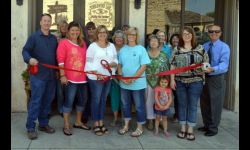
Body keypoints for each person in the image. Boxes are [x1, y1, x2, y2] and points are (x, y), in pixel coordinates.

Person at [22, 13, 57, 140]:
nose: (47, 23)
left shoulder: (53, 39)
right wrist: (29, 59)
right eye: (45, 21)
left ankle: (43, 124)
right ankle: (30, 127)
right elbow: (25, 50)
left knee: (47, 101)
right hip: (38, 75)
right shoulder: (34, 37)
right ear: (41, 23)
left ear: (51, 23)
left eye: (49, 21)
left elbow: (56, 56)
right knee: (36, 101)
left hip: (51, 76)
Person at [170, 26, 209, 141]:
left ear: (193, 35)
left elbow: (206, 64)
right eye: (184, 34)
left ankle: (190, 129)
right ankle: (182, 128)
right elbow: (172, 65)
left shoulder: (200, 48)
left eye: (189, 34)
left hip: (196, 82)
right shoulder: (177, 49)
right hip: (180, 81)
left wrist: (200, 67)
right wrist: (172, 80)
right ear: (181, 36)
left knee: (192, 105)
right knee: (182, 105)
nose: (187, 36)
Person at [57, 21, 90, 136]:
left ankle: (78, 122)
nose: (75, 32)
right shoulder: (63, 43)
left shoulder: (83, 43)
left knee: (83, 100)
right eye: (72, 30)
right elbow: (60, 60)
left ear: (79, 31)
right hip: (70, 79)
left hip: (83, 78)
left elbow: (87, 60)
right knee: (69, 101)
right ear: (68, 31)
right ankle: (66, 124)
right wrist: (62, 75)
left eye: (77, 30)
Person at [85, 25, 118, 136]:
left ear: (107, 34)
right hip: (96, 78)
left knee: (103, 100)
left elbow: (115, 59)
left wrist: (112, 64)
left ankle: (101, 122)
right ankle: (96, 123)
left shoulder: (112, 46)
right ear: (97, 34)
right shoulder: (93, 46)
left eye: (104, 32)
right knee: (96, 99)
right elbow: (88, 62)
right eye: (100, 32)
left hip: (108, 77)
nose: (102, 34)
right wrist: (96, 73)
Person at [117, 27, 150, 137]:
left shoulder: (141, 49)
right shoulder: (122, 49)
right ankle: (126, 125)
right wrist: (121, 76)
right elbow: (119, 64)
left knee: (139, 106)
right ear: (127, 36)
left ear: (137, 36)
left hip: (138, 84)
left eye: (134, 35)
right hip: (124, 84)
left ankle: (140, 127)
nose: (131, 36)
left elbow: (143, 66)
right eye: (129, 34)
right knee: (125, 105)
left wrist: (133, 78)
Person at [199, 25, 230, 136]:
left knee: (215, 104)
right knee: (204, 102)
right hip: (204, 77)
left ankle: (213, 128)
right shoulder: (205, 46)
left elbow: (224, 64)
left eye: (216, 31)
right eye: (211, 31)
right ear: (208, 33)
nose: (214, 33)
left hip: (216, 77)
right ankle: (206, 124)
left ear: (220, 33)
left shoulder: (224, 47)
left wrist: (213, 69)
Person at [145, 34, 170, 130]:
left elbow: (167, 69)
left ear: (158, 43)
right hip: (148, 81)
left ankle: (158, 120)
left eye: (155, 41)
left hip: (161, 83)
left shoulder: (164, 55)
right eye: (151, 41)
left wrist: (166, 83)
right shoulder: (145, 54)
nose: (154, 42)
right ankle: (150, 120)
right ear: (149, 43)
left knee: (160, 100)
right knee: (149, 101)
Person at [109, 30, 126, 126]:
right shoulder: (110, 47)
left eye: (121, 37)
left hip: (125, 77)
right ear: (114, 38)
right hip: (113, 77)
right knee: (115, 98)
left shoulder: (127, 48)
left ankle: (124, 119)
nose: (119, 38)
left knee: (124, 98)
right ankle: (115, 118)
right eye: (117, 37)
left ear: (124, 39)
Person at [81, 21, 96, 125]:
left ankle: (93, 113)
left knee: (94, 94)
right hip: (85, 71)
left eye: (92, 29)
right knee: (85, 95)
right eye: (88, 29)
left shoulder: (98, 40)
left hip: (96, 71)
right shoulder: (83, 41)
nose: (91, 31)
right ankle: (85, 115)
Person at [52, 20, 68, 117]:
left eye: (66, 26)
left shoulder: (70, 37)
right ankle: (60, 109)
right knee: (59, 91)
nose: (64, 28)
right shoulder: (54, 37)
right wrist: (56, 70)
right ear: (58, 27)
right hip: (57, 67)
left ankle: (66, 108)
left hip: (68, 67)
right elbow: (53, 54)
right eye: (62, 26)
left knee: (67, 91)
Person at [169, 33, 180, 123]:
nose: (175, 40)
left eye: (177, 38)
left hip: (178, 76)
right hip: (167, 76)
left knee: (178, 96)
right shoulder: (168, 49)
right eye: (173, 38)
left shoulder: (181, 49)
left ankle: (177, 115)